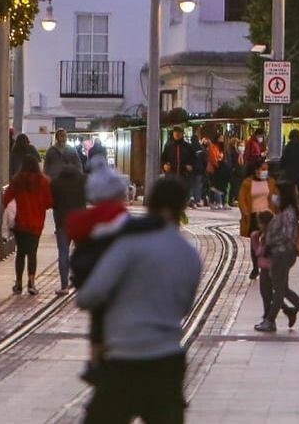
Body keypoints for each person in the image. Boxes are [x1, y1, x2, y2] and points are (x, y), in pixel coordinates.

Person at [78, 176, 202, 424]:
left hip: (124, 360)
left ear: (151, 205)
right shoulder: (190, 255)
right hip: (168, 361)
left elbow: (90, 295)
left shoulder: (128, 244)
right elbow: (185, 306)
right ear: (181, 208)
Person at [68, 151, 136, 384]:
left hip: (98, 306)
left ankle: (98, 365)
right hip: (126, 308)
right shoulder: (124, 227)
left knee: (99, 329)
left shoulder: (86, 231)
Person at [256, 180, 299, 332]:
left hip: (282, 253)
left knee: (280, 289)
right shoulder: (284, 212)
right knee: (283, 288)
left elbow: (288, 235)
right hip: (280, 253)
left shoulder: (289, 213)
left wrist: (270, 244)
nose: (274, 196)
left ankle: (270, 320)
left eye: (276, 193)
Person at [2, 156, 53, 295]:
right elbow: (49, 202)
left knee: (20, 253)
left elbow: (6, 199)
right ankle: (31, 282)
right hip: (36, 223)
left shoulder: (17, 180)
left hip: (20, 223)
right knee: (32, 253)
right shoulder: (43, 181)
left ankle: (18, 283)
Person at [50, 163, 88, 295]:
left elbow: (52, 202)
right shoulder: (83, 180)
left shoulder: (55, 183)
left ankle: (64, 285)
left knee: (63, 253)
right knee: (81, 251)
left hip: (62, 222)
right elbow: (88, 197)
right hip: (80, 221)